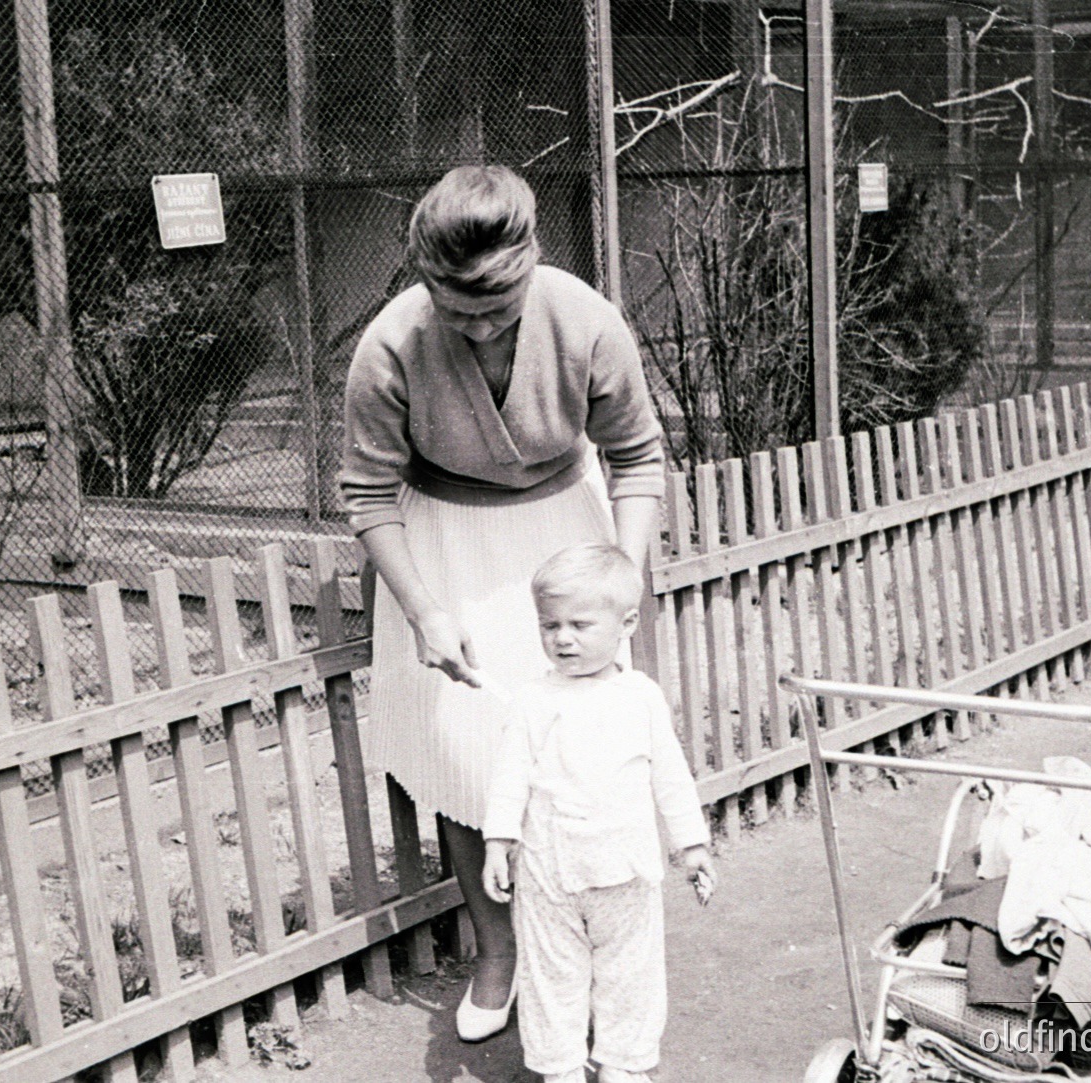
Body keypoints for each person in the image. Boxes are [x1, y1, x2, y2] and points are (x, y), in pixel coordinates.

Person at [339, 165, 665, 1041]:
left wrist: (619, 573)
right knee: (466, 753)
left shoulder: (585, 320)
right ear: (427, 283)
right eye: (460, 311)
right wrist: (423, 610)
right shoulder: (390, 345)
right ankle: (499, 951)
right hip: (444, 540)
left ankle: (587, 946)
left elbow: (636, 456)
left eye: (500, 308)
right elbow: (366, 493)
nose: (481, 327)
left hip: (562, 531)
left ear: (530, 265)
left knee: (580, 748)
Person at [481, 543, 716, 1083]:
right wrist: (498, 842)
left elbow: (671, 776)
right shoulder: (533, 699)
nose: (562, 638)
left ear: (626, 623)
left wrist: (692, 845)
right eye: (550, 625)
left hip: (625, 871)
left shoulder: (640, 697)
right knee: (550, 975)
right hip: (549, 873)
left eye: (580, 625)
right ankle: (560, 1066)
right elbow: (509, 777)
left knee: (630, 974)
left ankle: (623, 1063)